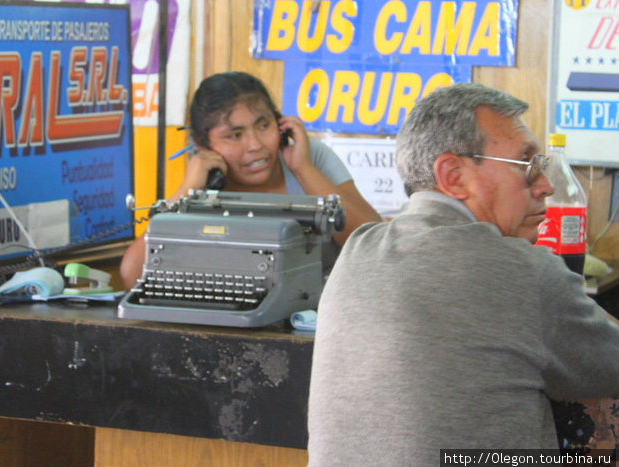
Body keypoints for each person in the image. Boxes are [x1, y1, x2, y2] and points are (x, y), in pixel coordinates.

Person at [307, 82, 619, 466]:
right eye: (528, 165)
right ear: (453, 176)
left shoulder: (358, 249)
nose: (546, 185)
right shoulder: (522, 271)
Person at [119, 71, 381, 290]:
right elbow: (132, 275)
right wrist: (187, 191)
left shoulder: (311, 158)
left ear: (281, 124)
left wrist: (304, 169)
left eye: (264, 125)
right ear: (203, 144)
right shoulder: (201, 185)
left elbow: (376, 247)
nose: (255, 145)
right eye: (234, 135)